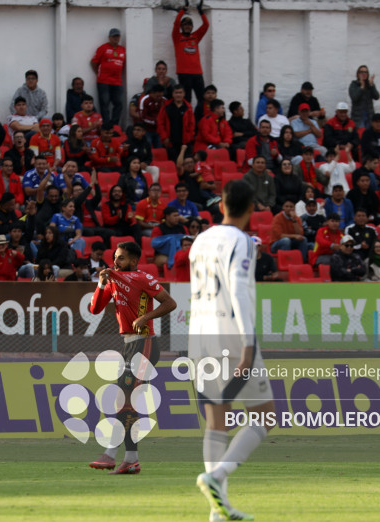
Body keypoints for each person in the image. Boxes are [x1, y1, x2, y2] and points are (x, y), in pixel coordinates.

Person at [189, 180, 275, 522]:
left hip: (199, 334)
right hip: (231, 334)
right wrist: (249, 343)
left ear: (221, 204)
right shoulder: (242, 240)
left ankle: (217, 509)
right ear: (251, 208)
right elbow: (238, 290)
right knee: (266, 414)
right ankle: (217, 477)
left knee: (216, 421)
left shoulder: (200, 239)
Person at [88, 241, 177, 474]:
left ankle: (110, 454)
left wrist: (145, 317)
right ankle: (130, 459)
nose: (115, 262)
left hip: (145, 344)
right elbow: (95, 309)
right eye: (115, 257)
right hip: (129, 345)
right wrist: (101, 284)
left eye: (121, 258)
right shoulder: (114, 280)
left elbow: (170, 303)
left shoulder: (142, 278)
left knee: (124, 398)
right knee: (128, 402)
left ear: (134, 261)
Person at [172, 2, 209, 104]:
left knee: (202, 99)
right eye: (185, 25)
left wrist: (201, 12)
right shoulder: (177, 37)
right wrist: (183, 10)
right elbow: (176, 23)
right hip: (184, 74)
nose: (187, 27)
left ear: (192, 26)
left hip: (197, 74)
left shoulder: (195, 37)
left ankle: (199, 119)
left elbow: (206, 25)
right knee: (186, 100)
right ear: (181, 27)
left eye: (189, 25)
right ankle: (187, 119)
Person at [91, 28, 126, 127]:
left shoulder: (122, 49)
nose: (116, 38)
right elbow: (93, 62)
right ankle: (106, 125)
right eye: (114, 36)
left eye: (117, 36)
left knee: (118, 104)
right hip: (104, 81)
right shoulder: (103, 48)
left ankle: (114, 125)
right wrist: (99, 73)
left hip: (117, 82)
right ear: (109, 37)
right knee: (104, 104)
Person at [157, 85, 195, 162]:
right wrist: (164, 137)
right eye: (176, 93)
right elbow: (161, 123)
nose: (178, 95)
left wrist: (188, 138)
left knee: (185, 165)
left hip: (184, 142)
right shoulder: (166, 107)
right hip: (170, 142)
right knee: (172, 163)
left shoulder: (188, 107)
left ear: (184, 94)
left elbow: (192, 125)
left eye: (180, 93)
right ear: (172, 94)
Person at [269, 198, 308, 262]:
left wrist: (294, 220)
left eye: (291, 207)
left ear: (294, 208)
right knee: (286, 241)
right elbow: (279, 235)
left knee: (303, 239)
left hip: (291, 242)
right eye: (286, 206)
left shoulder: (297, 218)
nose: (289, 208)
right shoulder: (277, 218)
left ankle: (301, 262)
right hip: (276, 243)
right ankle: (286, 262)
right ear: (283, 208)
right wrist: (294, 236)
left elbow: (300, 234)